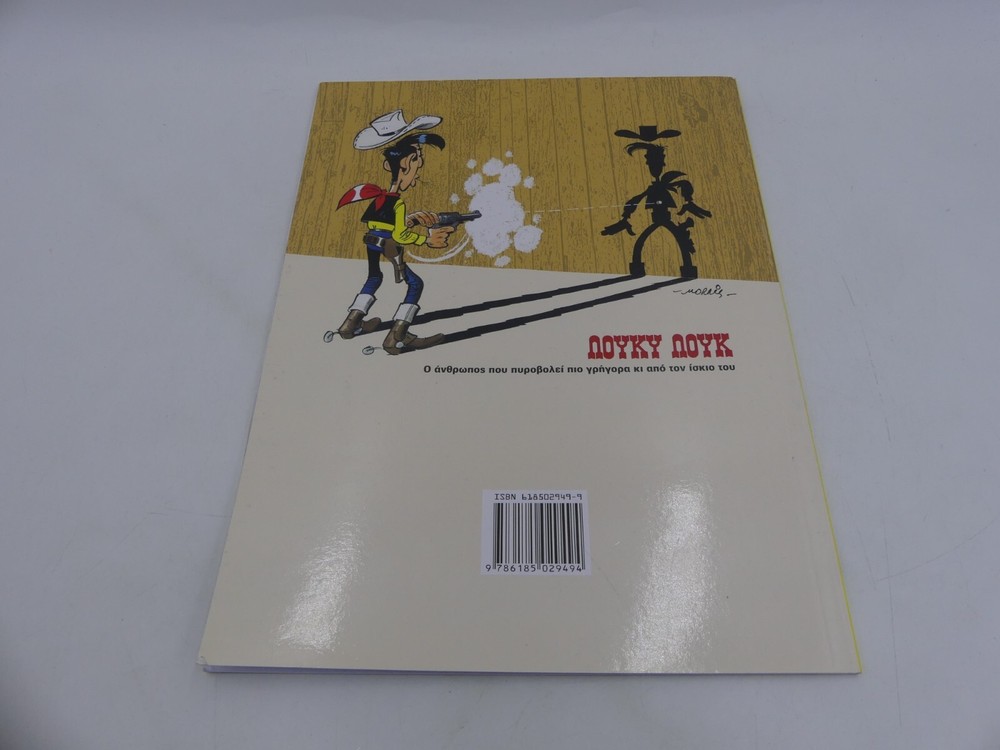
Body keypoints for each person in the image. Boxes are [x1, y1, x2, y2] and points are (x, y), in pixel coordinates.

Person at [337, 110, 454, 354]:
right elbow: (399, 235)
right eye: (417, 162)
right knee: (415, 283)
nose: (418, 171)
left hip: (372, 242)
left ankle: (350, 324)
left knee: (374, 278)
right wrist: (426, 239)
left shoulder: (380, 197)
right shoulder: (397, 202)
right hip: (389, 245)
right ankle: (397, 337)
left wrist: (411, 220)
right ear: (405, 163)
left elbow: (381, 223)